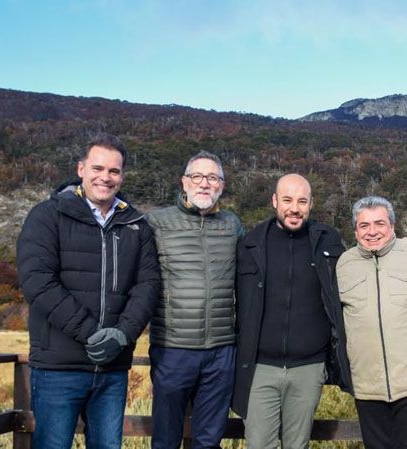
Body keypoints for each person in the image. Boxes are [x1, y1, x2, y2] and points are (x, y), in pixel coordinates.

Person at [17, 133, 161, 449]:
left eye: (114, 171)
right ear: (81, 169)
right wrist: (93, 334)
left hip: (112, 371)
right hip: (58, 369)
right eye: (98, 168)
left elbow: (148, 286)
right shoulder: (47, 216)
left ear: (122, 175)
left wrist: (122, 335)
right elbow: (38, 283)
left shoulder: (136, 224)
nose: (105, 178)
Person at [232, 173, 351, 449]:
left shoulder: (329, 242)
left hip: (309, 367)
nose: (294, 208)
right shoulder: (250, 244)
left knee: (297, 445)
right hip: (260, 367)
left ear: (311, 204)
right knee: (259, 444)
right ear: (274, 201)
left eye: (302, 201)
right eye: (287, 200)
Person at [146, 151, 243, 449]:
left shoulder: (232, 225)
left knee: (209, 440)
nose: (204, 184)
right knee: (165, 438)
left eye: (212, 178)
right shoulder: (156, 222)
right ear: (184, 182)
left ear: (222, 186)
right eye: (197, 177)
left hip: (221, 351)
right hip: (173, 350)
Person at [336, 196, 407, 449]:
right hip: (367, 384)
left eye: (379, 223)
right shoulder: (344, 264)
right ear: (355, 230)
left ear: (392, 225)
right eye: (364, 225)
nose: (372, 231)